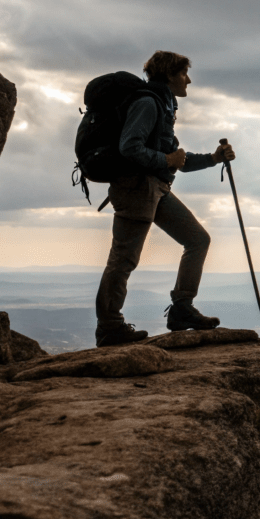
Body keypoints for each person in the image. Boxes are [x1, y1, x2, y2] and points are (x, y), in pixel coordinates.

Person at [94, 50, 236, 347]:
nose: (189, 80)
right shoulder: (148, 103)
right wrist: (166, 158)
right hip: (136, 189)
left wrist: (212, 158)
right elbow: (129, 147)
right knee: (124, 260)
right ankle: (109, 326)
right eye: (184, 73)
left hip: (156, 188)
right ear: (170, 75)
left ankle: (182, 308)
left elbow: (175, 159)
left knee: (198, 239)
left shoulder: (163, 104)